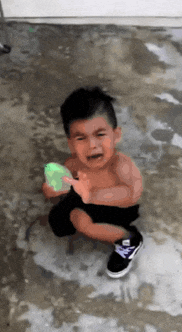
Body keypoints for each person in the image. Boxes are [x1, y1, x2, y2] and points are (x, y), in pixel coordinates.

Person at [42, 86, 143, 278]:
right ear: (71, 143)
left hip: (116, 207)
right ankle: (81, 213)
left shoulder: (120, 164)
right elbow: (59, 188)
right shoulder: (72, 163)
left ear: (116, 135)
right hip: (84, 198)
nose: (92, 145)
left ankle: (128, 239)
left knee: (81, 221)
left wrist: (93, 195)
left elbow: (132, 194)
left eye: (100, 134)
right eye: (81, 138)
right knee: (58, 222)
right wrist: (52, 190)